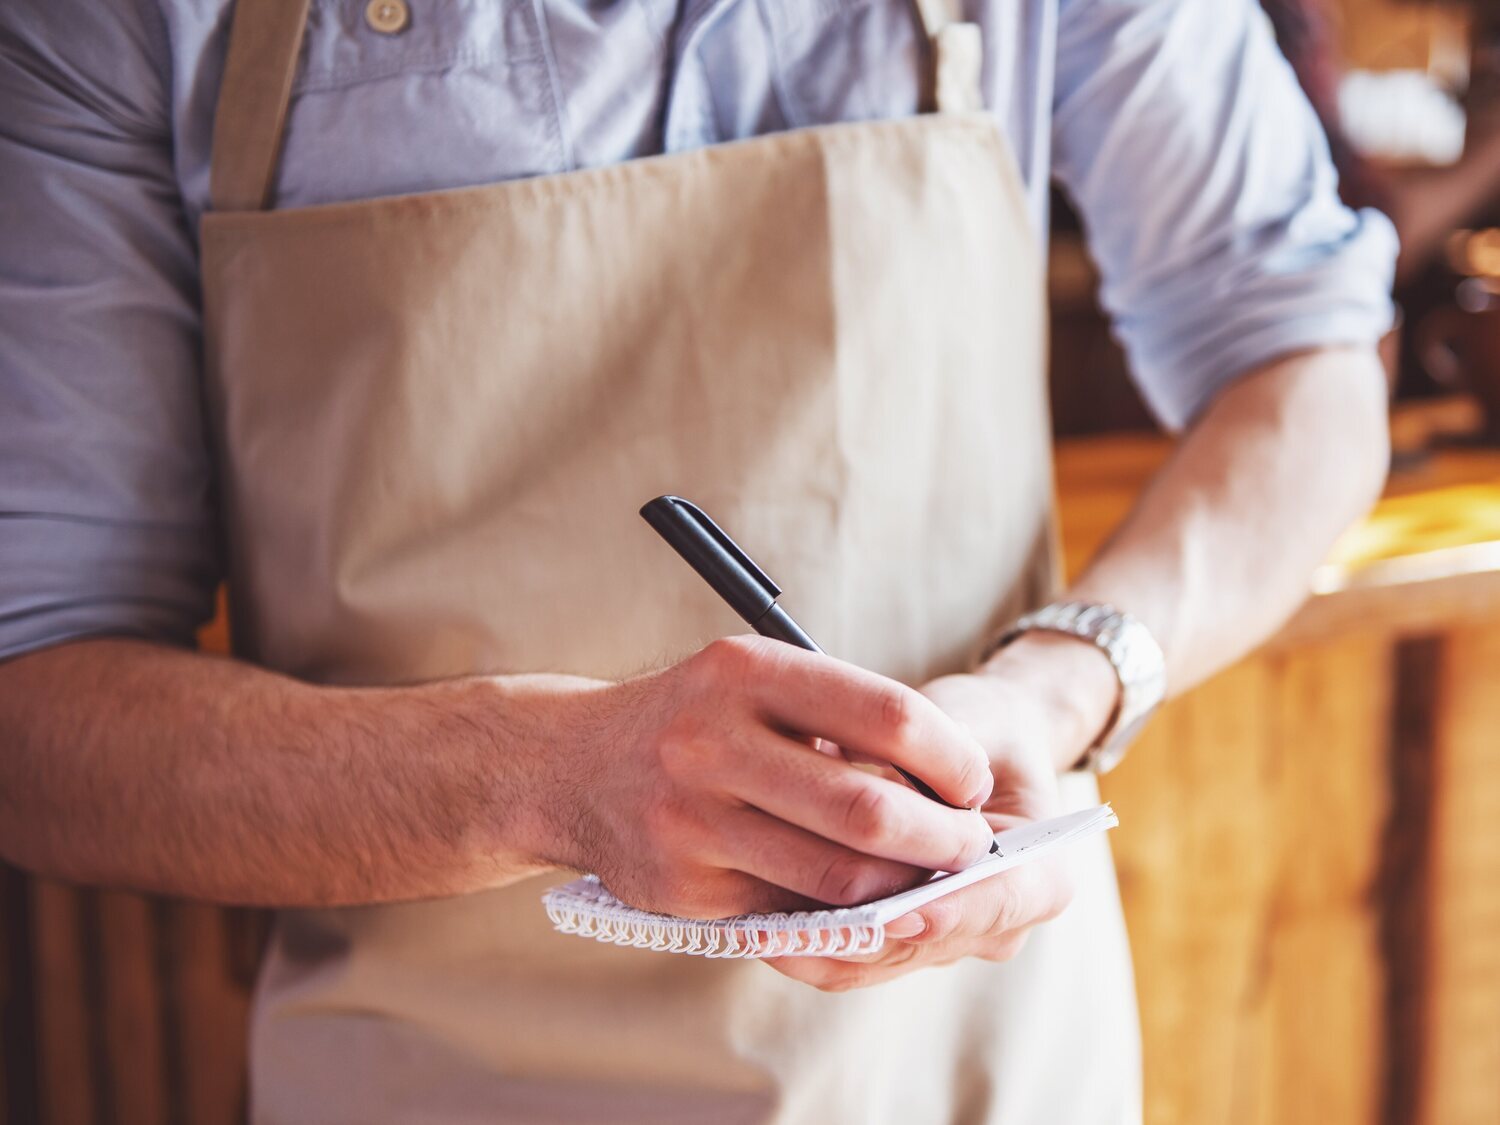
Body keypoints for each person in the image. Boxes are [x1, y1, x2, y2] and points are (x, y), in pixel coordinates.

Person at [0, 0, 1395, 1121]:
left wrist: (1060, 684)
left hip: (986, 1072)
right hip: (433, 1086)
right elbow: (34, 701)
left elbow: (1308, 371)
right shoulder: (110, 23)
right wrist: (539, 778)